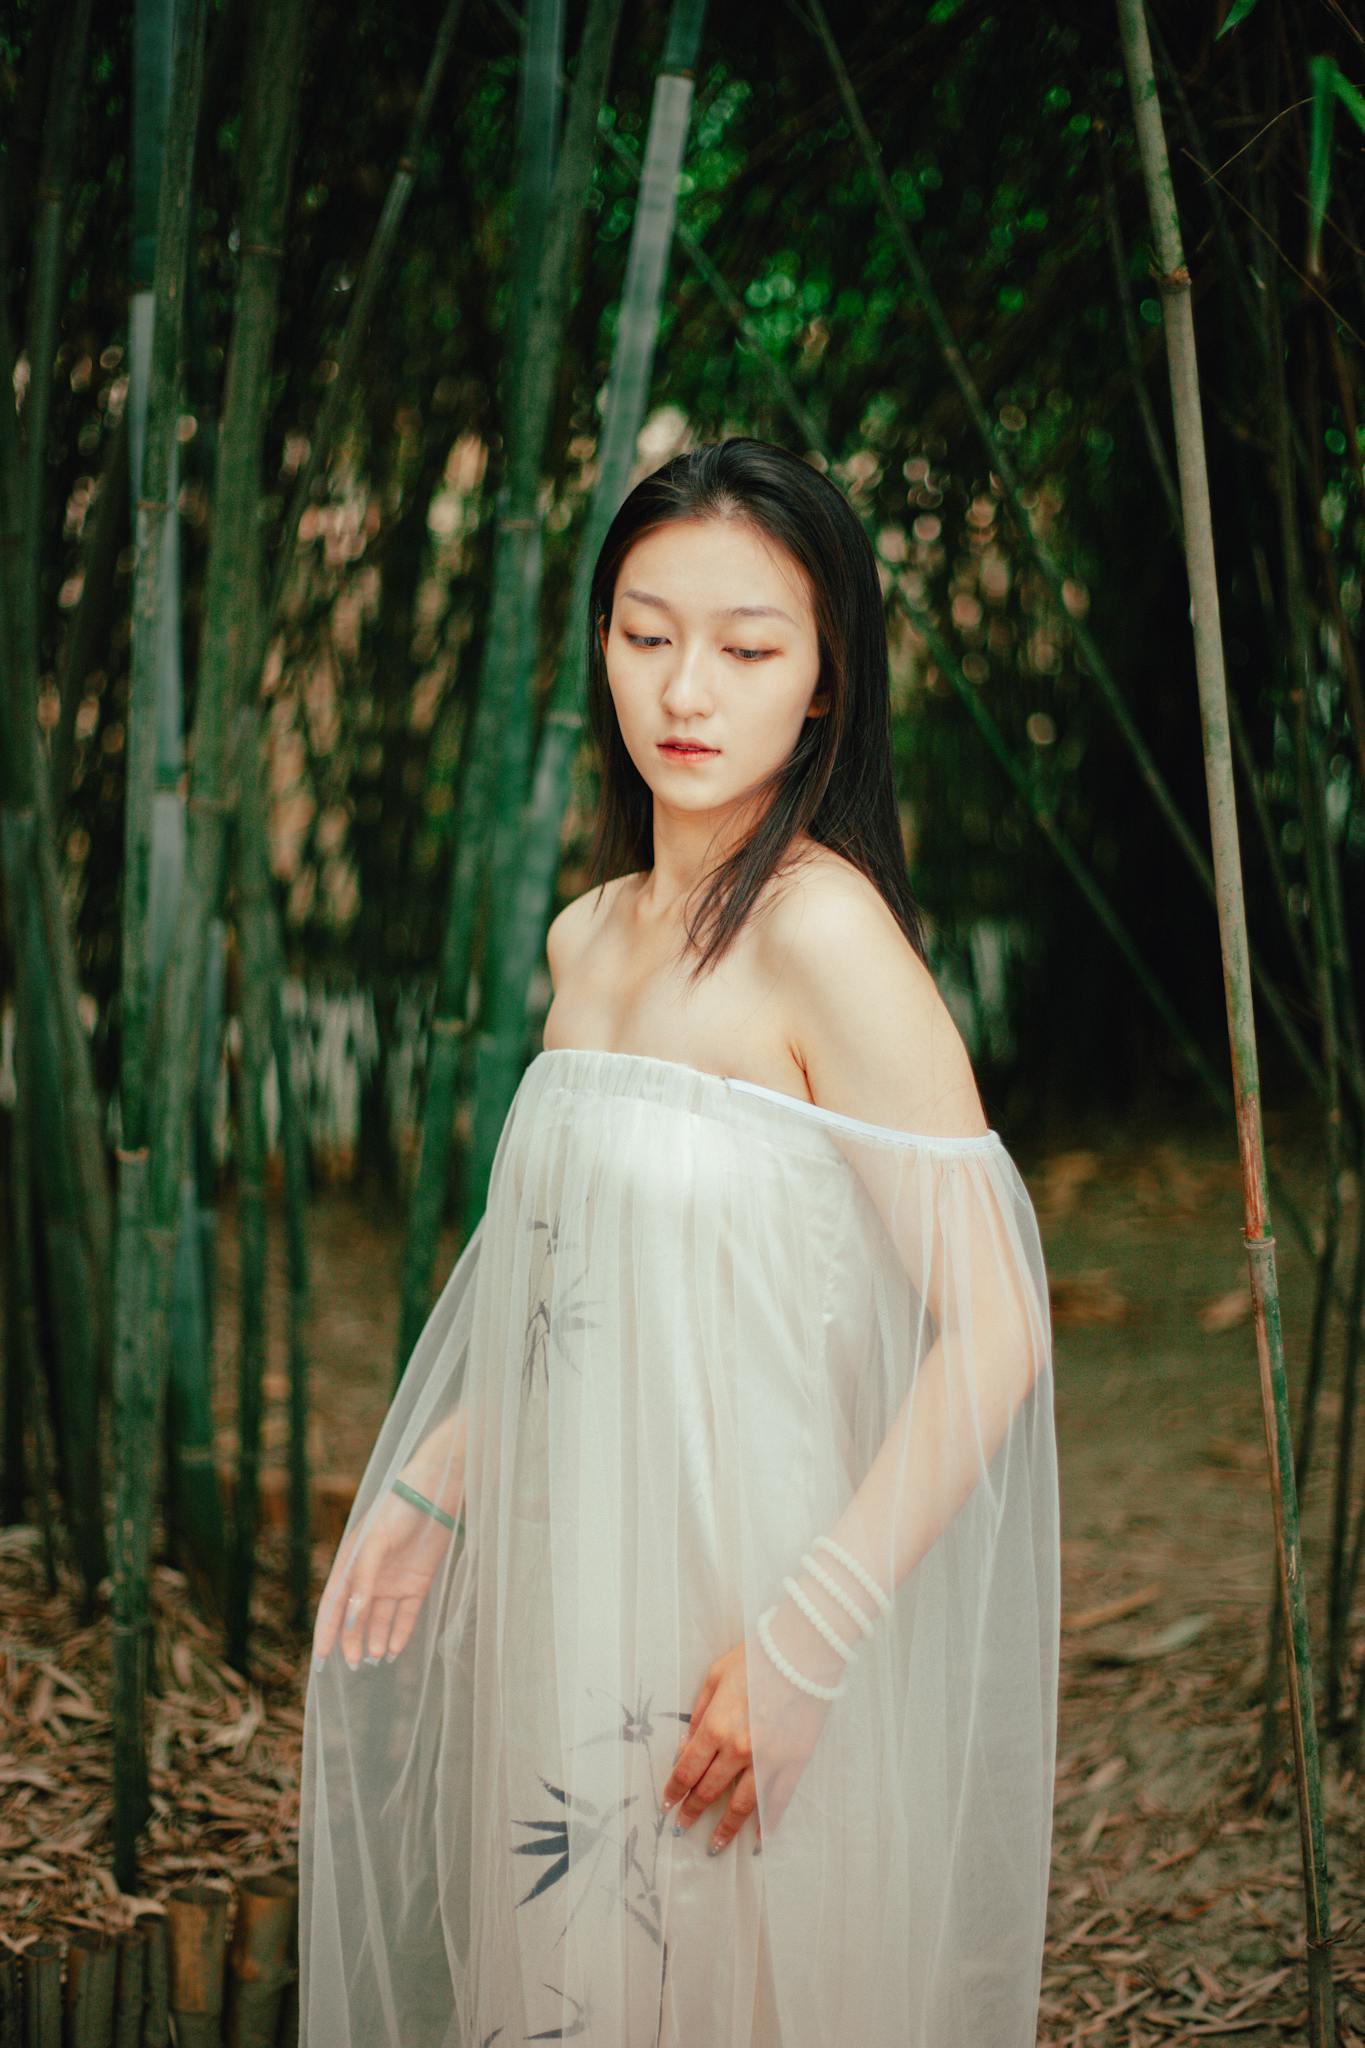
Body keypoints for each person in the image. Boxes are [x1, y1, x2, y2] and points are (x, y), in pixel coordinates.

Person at [299, 437, 1060, 2047]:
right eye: (646, 636)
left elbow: (995, 1325)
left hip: (761, 1584)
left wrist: (804, 1643)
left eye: (747, 648)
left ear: (825, 683)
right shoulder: (586, 941)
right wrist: (443, 1471)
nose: (685, 689)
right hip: (586, 1570)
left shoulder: (823, 936)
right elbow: (576, 1288)